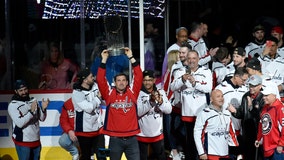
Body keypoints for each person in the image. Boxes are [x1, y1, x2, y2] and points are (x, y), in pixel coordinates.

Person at [96, 47, 143, 160]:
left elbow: (139, 76)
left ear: (127, 82)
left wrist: (131, 57)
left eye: (123, 80)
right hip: (115, 139)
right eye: (118, 80)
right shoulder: (109, 94)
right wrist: (104, 60)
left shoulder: (132, 92)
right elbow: (100, 79)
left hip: (132, 138)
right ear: (114, 82)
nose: (121, 83)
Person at [171, 49, 212, 160]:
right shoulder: (180, 71)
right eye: (189, 58)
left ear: (198, 59)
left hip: (201, 113)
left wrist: (195, 83)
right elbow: (172, 87)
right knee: (190, 141)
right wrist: (182, 80)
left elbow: (208, 88)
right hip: (187, 113)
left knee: (201, 141)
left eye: (194, 58)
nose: (191, 61)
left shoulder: (206, 71)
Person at [8, 79, 50, 160]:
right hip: (23, 142)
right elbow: (20, 123)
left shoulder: (33, 100)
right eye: (21, 90)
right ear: (16, 91)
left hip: (36, 140)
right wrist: (31, 112)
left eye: (25, 89)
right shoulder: (13, 105)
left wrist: (44, 109)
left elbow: (42, 118)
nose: (24, 92)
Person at [227, 74, 265, 160]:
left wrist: (251, 107)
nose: (251, 87)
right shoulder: (246, 96)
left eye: (254, 86)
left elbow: (261, 118)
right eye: (250, 85)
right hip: (246, 134)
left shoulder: (263, 99)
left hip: (257, 135)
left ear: (260, 86)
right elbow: (242, 113)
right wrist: (235, 111)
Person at [194, 89, 239, 160]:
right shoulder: (204, 113)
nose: (221, 99)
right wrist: (201, 152)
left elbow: (231, 132)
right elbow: (197, 133)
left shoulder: (227, 113)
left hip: (225, 154)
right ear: (211, 99)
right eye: (218, 96)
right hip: (211, 154)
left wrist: (236, 149)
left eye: (222, 96)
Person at [136, 70, 172, 160]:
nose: (147, 82)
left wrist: (160, 102)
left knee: (161, 157)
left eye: (149, 80)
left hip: (157, 134)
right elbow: (138, 112)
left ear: (154, 80)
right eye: (144, 80)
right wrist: (151, 102)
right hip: (142, 134)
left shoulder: (161, 92)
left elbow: (169, 110)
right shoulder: (138, 94)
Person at [72, 67, 105, 160]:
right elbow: (89, 108)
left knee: (103, 155)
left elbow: (103, 100)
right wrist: (98, 98)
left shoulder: (95, 85)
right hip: (84, 131)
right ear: (85, 80)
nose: (93, 78)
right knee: (86, 156)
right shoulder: (77, 93)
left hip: (98, 129)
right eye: (91, 77)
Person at [215, 67, 249, 159]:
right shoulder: (221, 88)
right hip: (225, 130)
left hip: (240, 129)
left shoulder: (245, 89)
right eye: (243, 80)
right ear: (236, 76)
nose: (245, 82)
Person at [255, 81, 284, 160]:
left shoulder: (280, 108)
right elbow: (262, 125)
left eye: (267, 95)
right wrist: (258, 139)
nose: (264, 97)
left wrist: (281, 144)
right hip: (266, 148)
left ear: (274, 95)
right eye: (264, 95)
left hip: (277, 149)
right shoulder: (265, 108)